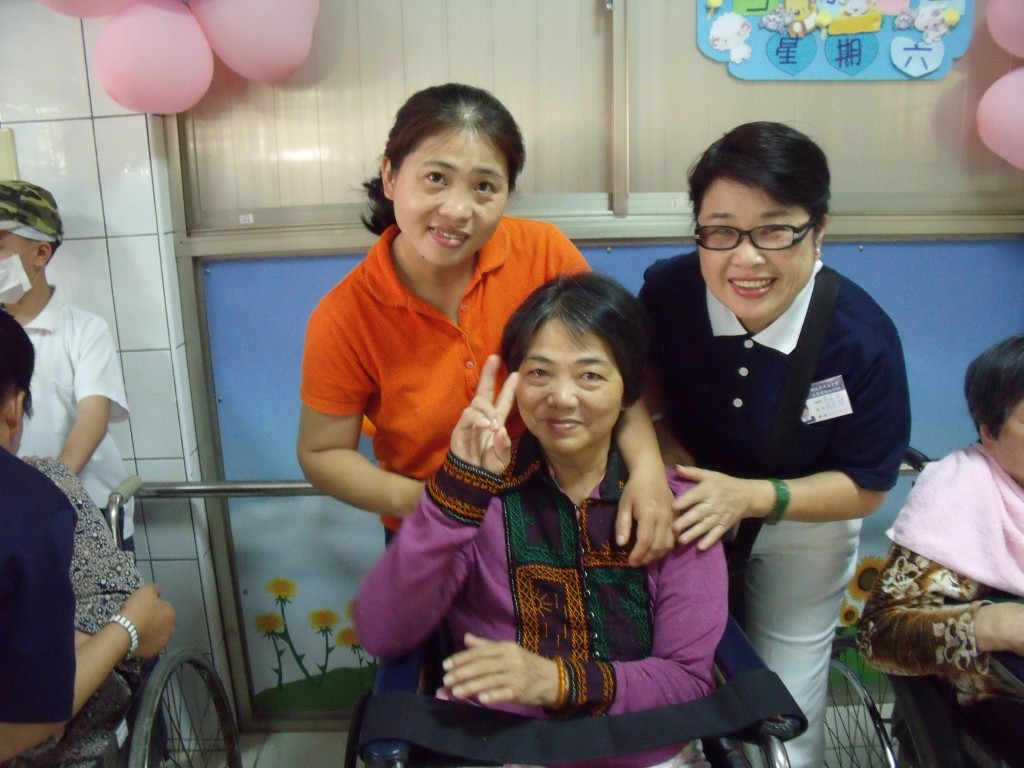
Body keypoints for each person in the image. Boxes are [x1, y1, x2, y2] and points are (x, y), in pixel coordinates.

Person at [354, 273, 728, 768]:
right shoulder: (477, 495)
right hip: (497, 748)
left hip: (643, 751)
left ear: (629, 390)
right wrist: (456, 493)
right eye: (538, 373)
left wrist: (555, 681)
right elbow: (383, 632)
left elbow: (687, 680)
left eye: (590, 376)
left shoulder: (677, 507)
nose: (562, 397)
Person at [298, 82, 672, 565]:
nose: (457, 210)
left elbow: (611, 371)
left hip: (556, 516)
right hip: (433, 534)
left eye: (484, 187)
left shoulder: (544, 253)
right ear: (390, 176)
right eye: (436, 178)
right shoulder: (344, 315)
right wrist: (436, 504)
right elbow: (322, 453)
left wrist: (648, 470)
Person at [639, 121, 911, 767]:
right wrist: (663, 440)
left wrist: (754, 498)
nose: (746, 259)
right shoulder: (669, 290)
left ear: (819, 230)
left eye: (775, 231)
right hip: (687, 512)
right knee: (666, 696)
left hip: (803, 524)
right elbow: (639, 375)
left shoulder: (860, 338)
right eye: (721, 231)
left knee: (786, 712)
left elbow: (866, 485)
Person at [0, 309, 176, 768]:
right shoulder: (30, 504)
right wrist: (129, 626)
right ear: (15, 408)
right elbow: (29, 724)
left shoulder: (84, 329)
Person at [858, 333, 1024, 767]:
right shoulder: (962, 490)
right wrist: (998, 624)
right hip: (993, 718)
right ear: (989, 432)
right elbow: (881, 635)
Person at [0, 180, 135, 549]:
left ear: (40, 253)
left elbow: (93, 417)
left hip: (85, 515)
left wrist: (46, 488)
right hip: (12, 519)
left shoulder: (85, 330)